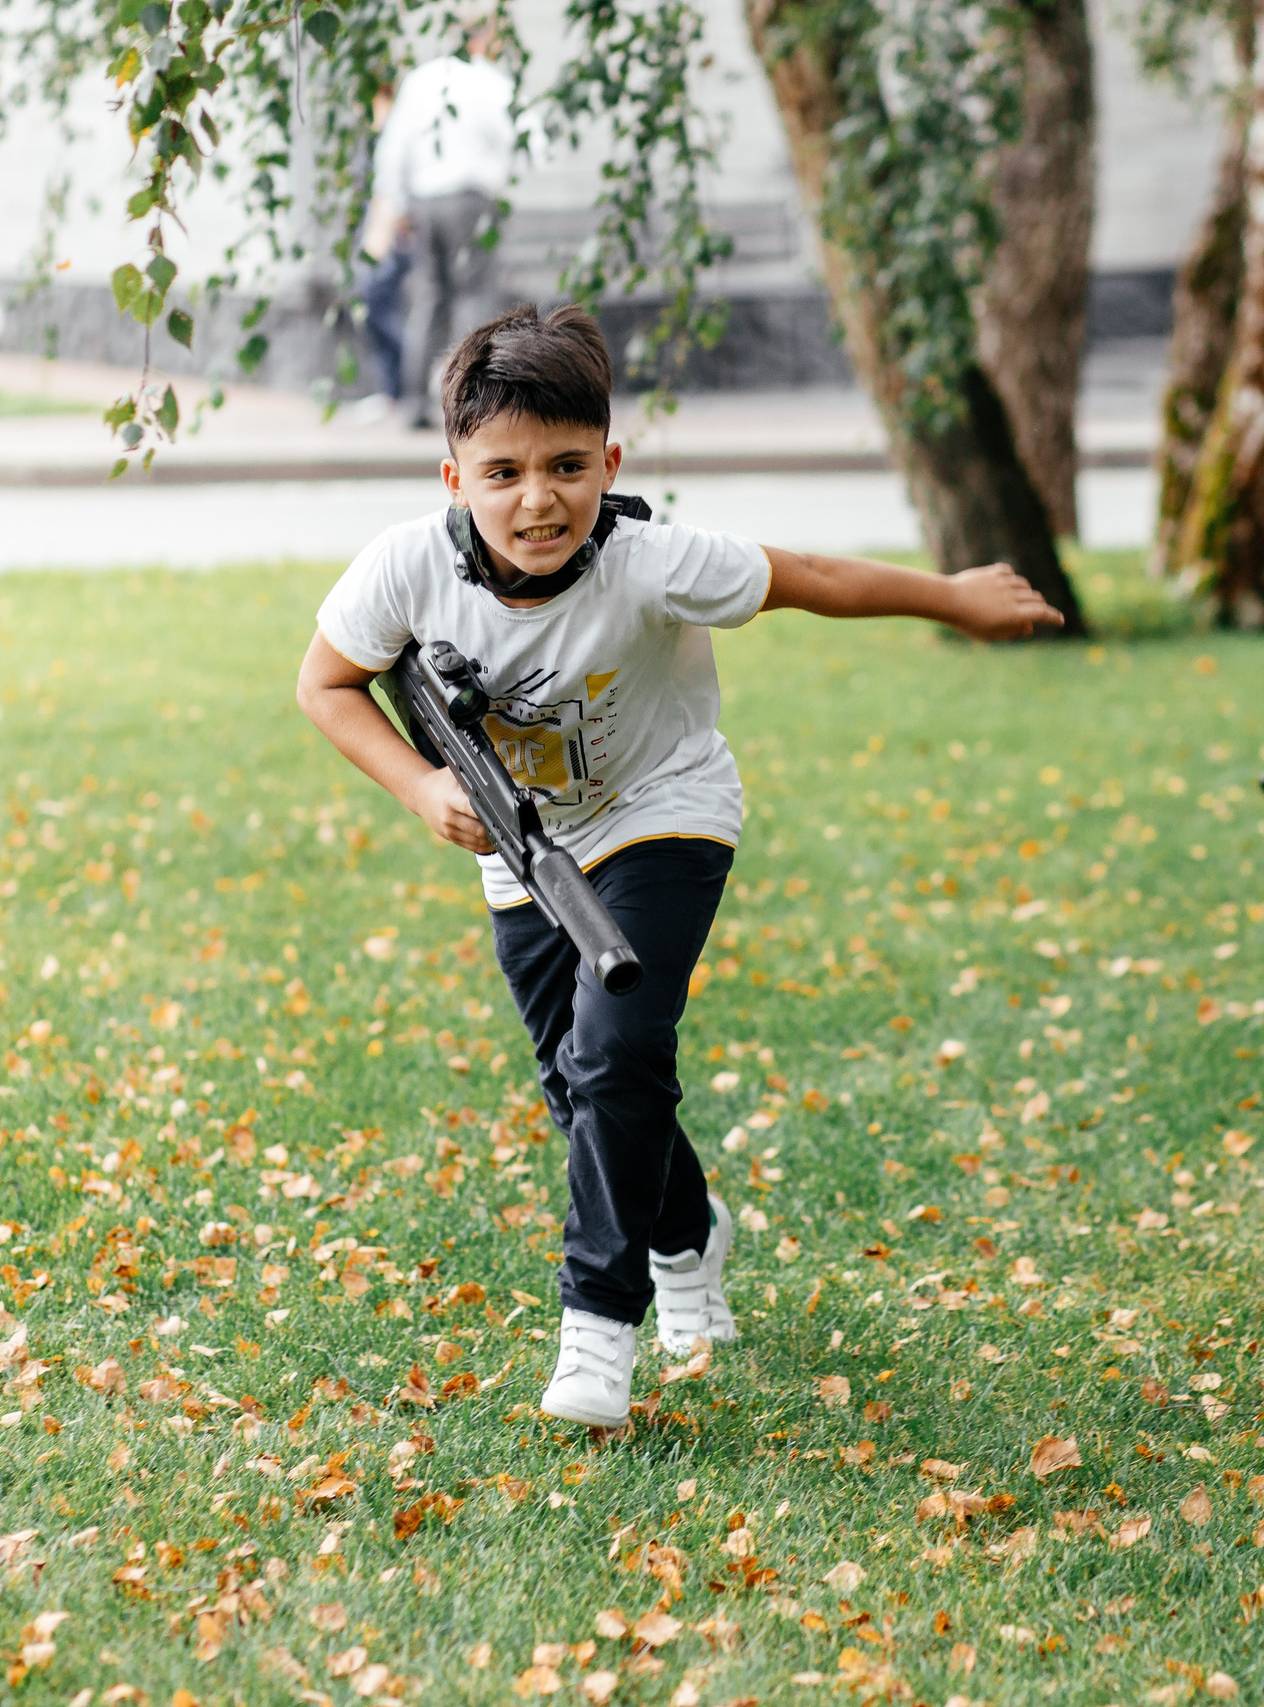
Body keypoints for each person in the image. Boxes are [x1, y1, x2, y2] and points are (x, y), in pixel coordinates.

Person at [296, 305, 1064, 1428]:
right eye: (502, 471)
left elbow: (806, 575)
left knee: (618, 1050)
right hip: (528, 851)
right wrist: (419, 785)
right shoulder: (406, 569)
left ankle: (598, 1331)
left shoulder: (650, 560)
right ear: (452, 474)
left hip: (665, 811)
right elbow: (325, 684)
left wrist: (952, 596)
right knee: (582, 1087)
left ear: (610, 464)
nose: (537, 499)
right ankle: (688, 1236)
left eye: (566, 467)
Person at [355, 25, 519, 426]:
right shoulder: (492, 82)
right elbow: (522, 137)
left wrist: (393, 203)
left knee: (428, 298)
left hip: (424, 201)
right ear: (484, 41)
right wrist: (504, 182)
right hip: (471, 199)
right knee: (474, 298)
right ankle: (472, 404)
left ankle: (414, 403)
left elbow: (393, 147)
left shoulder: (421, 79)